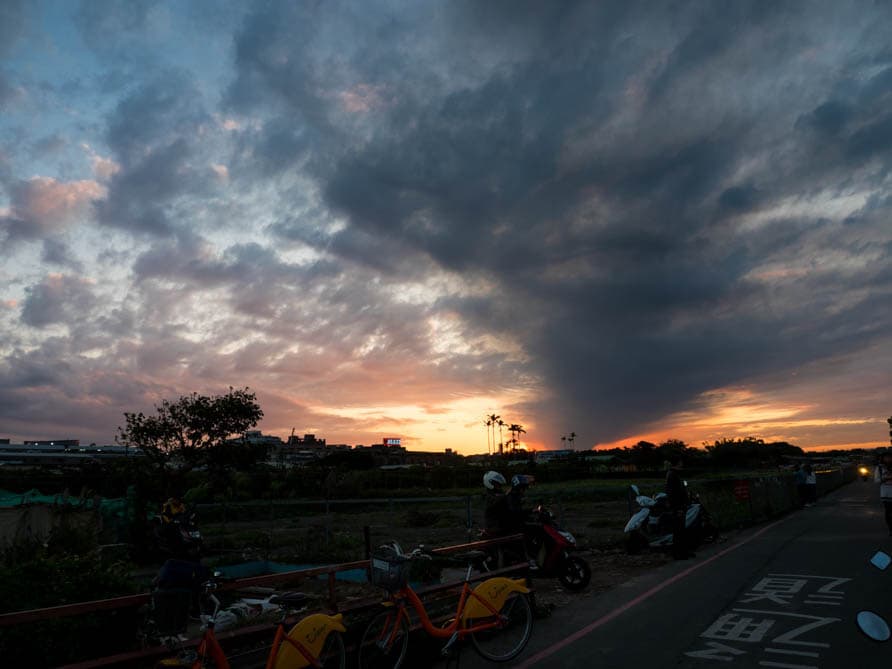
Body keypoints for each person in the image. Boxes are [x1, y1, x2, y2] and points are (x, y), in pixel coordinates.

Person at [666, 455, 692, 559]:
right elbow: (673, 493)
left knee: (681, 530)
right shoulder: (673, 475)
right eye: (681, 461)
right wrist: (679, 507)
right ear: (678, 462)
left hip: (680, 506)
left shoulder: (674, 474)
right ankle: (679, 553)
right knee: (679, 531)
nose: (682, 463)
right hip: (678, 507)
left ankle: (683, 552)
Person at [482, 471, 509, 536]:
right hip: (494, 527)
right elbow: (497, 500)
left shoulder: (497, 493)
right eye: (497, 484)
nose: (499, 486)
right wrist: (507, 495)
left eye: (499, 484)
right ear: (490, 483)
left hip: (500, 524)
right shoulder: (489, 495)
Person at [875, 451, 892, 536]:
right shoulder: (880, 468)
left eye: (890, 457)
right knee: (889, 512)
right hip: (886, 494)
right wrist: (884, 480)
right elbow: (876, 480)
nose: (888, 459)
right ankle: (890, 529)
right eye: (886, 457)